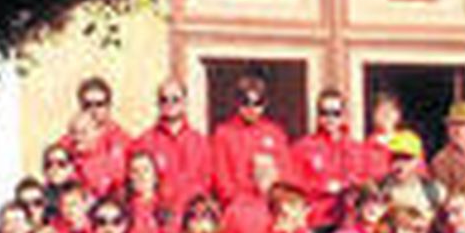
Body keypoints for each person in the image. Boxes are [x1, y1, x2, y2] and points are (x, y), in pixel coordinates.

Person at [130, 76, 213, 219]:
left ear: (185, 102)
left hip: (192, 218)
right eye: (164, 99)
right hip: (157, 219)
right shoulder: (145, 142)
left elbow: (207, 184)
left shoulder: (200, 142)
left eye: (175, 99)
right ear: (158, 103)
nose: (170, 104)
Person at [211, 70, 292, 205]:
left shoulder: (275, 133)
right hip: (238, 207)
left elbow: (286, 174)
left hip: (271, 206)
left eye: (257, 103)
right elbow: (222, 181)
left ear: (265, 104)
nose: (251, 108)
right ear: (237, 102)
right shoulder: (224, 133)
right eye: (245, 102)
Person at [293, 88, 367, 228]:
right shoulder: (303, 148)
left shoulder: (356, 149)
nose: (330, 118)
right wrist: (322, 187)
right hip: (316, 220)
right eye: (324, 113)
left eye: (336, 113)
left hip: (349, 221)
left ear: (344, 116)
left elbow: (364, 184)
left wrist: (346, 186)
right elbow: (295, 187)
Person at [62, 76, 132, 200]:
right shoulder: (69, 142)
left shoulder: (123, 142)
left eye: (99, 104)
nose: (93, 110)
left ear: (109, 106)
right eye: (87, 105)